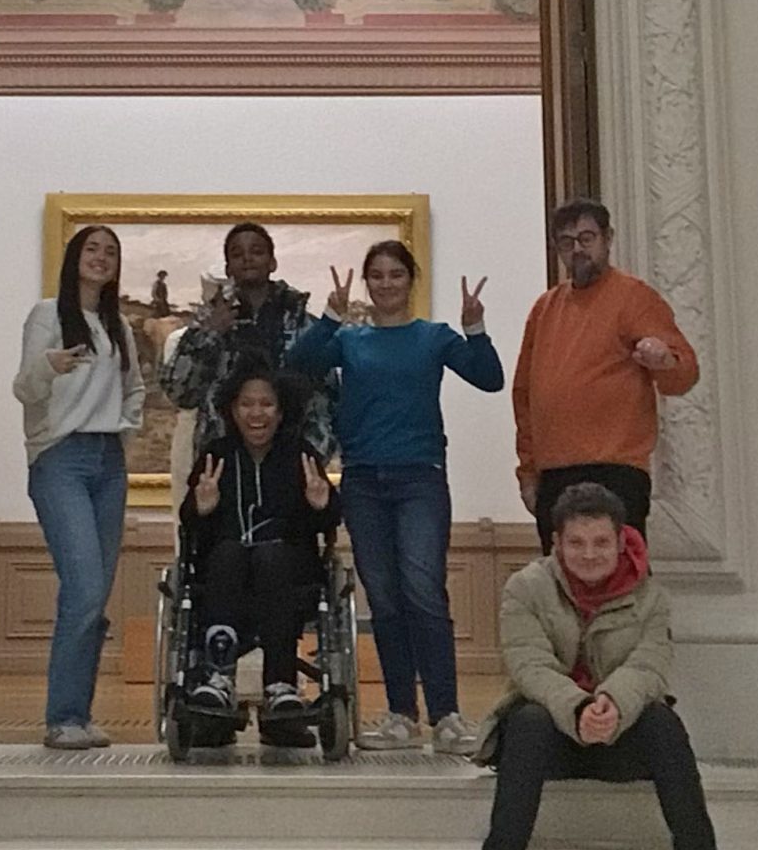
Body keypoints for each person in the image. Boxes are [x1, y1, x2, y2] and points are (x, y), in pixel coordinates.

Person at [453, 484, 758, 850]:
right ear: (557, 543)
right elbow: (529, 666)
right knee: (528, 720)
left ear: (621, 541)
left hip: (617, 736)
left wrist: (611, 705)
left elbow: (650, 666)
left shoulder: (651, 598)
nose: (589, 554)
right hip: (547, 739)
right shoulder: (525, 589)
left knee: (662, 721)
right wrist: (579, 708)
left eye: (601, 542)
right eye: (577, 543)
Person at [287, 240, 502, 754]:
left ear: (411, 280)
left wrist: (475, 327)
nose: (386, 284)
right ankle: (402, 714)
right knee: (383, 598)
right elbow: (298, 365)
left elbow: (490, 379)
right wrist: (330, 317)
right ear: (368, 283)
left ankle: (446, 714)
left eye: (396, 274)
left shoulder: (434, 337)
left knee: (423, 592)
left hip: (420, 479)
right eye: (377, 276)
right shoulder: (351, 340)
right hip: (363, 481)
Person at [15, 222, 145, 751]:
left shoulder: (119, 326)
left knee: (96, 591)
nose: (101, 257)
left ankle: (79, 715)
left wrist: (123, 429)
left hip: (108, 461)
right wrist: (49, 366)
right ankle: (63, 716)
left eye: (110, 252)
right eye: (92, 248)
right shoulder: (47, 315)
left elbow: (135, 388)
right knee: (85, 587)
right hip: (60, 459)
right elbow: (24, 388)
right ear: (74, 257)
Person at [512, 197, 699, 548]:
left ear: (607, 238)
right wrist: (527, 471)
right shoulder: (544, 309)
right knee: (559, 577)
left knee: (619, 573)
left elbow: (685, 374)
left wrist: (664, 360)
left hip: (616, 470)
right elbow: (524, 396)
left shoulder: (634, 297)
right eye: (566, 242)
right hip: (554, 474)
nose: (577, 250)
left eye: (587, 238)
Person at [180, 365, 337, 733]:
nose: (256, 413)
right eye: (247, 404)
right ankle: (219, 677)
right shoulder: (216, 456)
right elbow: (191, 524)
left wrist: (320, 505)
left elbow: (329, 519)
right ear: (232, 411)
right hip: (224, 572)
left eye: (267, 404)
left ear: (280, 413)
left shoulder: (300, 455)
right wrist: (201, 508)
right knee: (228, 553)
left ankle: (281, 684)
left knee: (270, 555)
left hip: (288, 572)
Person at [158, 219, 335, 463]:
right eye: (237, 254)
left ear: (272, 263)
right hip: (223, 461)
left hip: (292, 460)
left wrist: (315, 453)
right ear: (228, 268)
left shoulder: (302, 324)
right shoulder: (209, 322)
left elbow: (328, 396)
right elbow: (181, 394)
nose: (247, 258)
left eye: (257, 251)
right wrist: (209, 335)